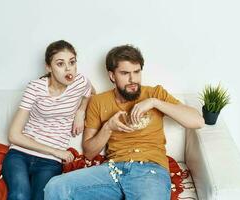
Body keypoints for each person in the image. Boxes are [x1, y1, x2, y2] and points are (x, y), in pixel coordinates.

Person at [44, 44, 204, 200]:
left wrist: (155, 102)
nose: (132, 79)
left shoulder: (154, 93)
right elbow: (89, 152)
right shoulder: (98, 102)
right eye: (125, 73)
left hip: (150, 170)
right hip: (112, 170)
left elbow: (197, 121)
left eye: (136, 72)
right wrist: (108, 127)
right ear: (112, 76)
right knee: (56, 186)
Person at [2, 40, 94, 200]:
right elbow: (14, 135)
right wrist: (56, 151)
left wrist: (81, 111)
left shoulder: (80, 82)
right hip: (20, 155)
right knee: (20, 195)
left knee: (41, 197)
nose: (68, 68)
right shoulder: (35, 88)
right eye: (60, 64)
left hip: (50, 163)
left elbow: (91, 92)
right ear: (49, 67)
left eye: (72, 62)